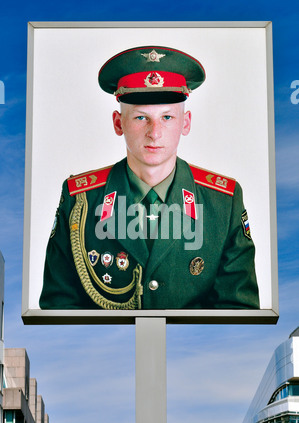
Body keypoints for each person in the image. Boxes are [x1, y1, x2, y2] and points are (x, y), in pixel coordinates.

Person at [39, 45, 259, 310]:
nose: (154, 133)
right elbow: (58, 310)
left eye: (167, 117)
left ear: (185, 123)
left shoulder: (223, 201)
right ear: (118, 123)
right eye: (141, 117)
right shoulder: (80, 198)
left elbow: (238, 315)